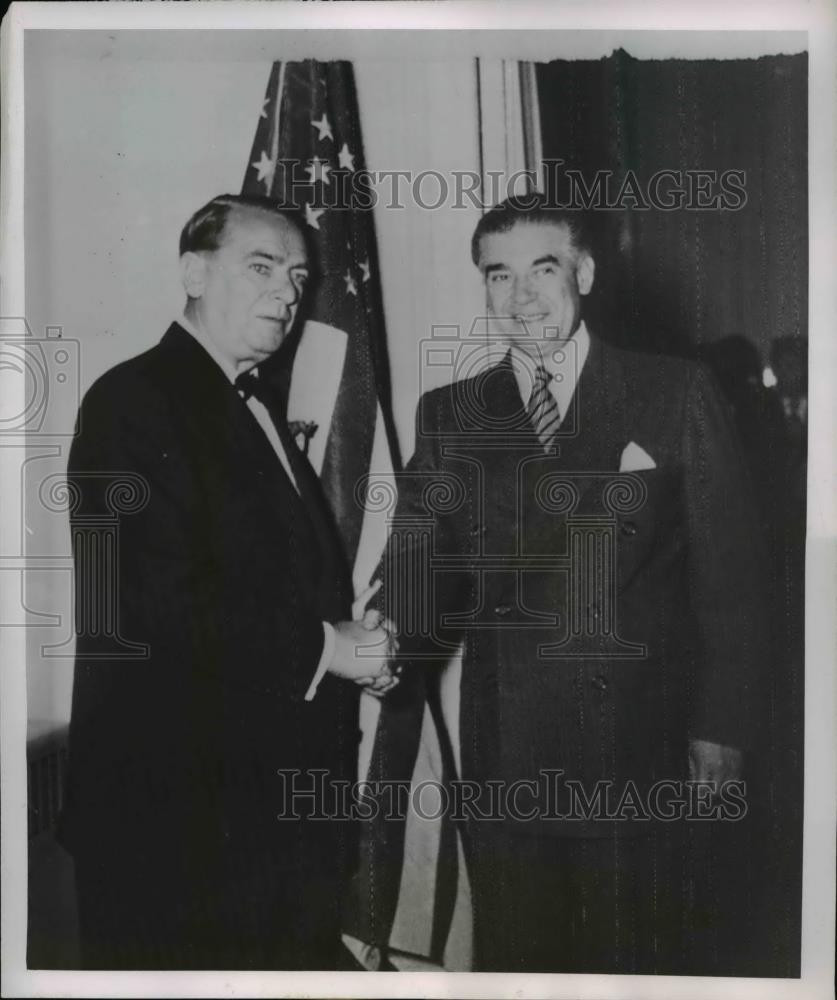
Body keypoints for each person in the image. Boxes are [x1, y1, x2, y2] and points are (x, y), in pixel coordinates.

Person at [348, 194, 768, 973]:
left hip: (638, 748)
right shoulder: (452, 412)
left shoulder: (673, 390)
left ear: (583, 270)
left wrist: (723, 732)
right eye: (497, 276)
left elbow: (732, 584)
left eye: (541, 269)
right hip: (507, 751)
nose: (521, 297)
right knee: (521, 964)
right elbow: (416, 557)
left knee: (637, 964)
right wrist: (380, 642)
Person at [58, 194, 395, 970]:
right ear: (193, 272)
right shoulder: (134, 401)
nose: (287, 293)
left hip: (264, 827)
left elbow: (281, 587)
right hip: (175, 832)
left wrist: (360, 650)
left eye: (299, 276)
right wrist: (326, 650)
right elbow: (151, 602)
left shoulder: (253, 407)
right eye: (262, 267)